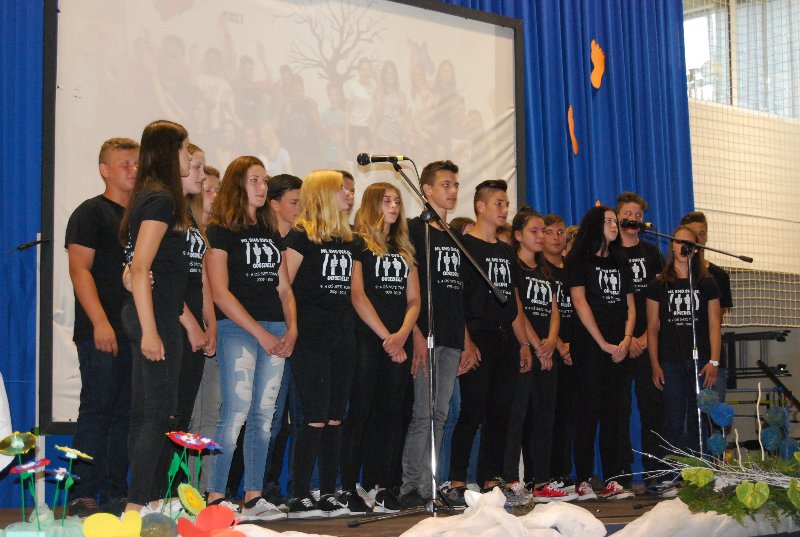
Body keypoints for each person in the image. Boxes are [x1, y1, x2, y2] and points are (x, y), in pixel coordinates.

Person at [205, 156, 296, 521]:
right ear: (237, 185)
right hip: (238, 330)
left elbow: (284, 287)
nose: (262, 186)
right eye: (254, 180)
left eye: (264, 180)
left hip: (276, 329)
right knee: (236, 412)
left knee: (264, 414)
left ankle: (253, 496)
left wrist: (292, 328)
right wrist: (260, 332)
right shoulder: (221, 230)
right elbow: (220, 292)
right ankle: (215, 495)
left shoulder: (271, 230)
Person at [120, 120, 197, 514]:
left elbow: (134, 265)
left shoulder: (150, 195)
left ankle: (146, 500)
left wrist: (131, 276)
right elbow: (139, 266)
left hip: (153, 312)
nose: (189, 155)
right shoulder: (161, 198)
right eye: (185, 149)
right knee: (157, 415)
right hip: (153, 318)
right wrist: (151, 331)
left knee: (145, 414)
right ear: (170, 152)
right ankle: (137, 507)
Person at [443, 179, 533, 506]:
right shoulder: (463, 246)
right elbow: (456, 300)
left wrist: (523, 343)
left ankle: (490, 480)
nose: (504, 209)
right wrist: (466, 342)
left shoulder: (506, 252)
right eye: (498, 203)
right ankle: (456, 481)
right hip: (476, 335)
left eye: (506, 203)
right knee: (473, 410)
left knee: (501, 412)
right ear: (480, 206)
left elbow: (513, 302)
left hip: (505, 338)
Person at [66, 137, 139, 516]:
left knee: (127, 414)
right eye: (124, 163)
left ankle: (115, 492)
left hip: (135, 332)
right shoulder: (90, 212)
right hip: (102, 329)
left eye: (137, 163)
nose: (133, 169)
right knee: (97, 410)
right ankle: (82, 492)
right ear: (104, 170)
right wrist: (100, 322)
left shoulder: (142, 218)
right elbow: (79, 270)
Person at [340, 182, 421, 514]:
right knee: (360, 412)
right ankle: (348, 487)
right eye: (387, 201)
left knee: (392, 414)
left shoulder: (404, 248)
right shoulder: (357, 242)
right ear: (372, 204)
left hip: (397, 342)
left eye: (397, 201)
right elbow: (357, 294)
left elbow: (414, 300)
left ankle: (385, 485)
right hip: (368, 338)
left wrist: (401, 334)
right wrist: (387, 337)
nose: (394, 206)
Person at [283, 170, 358, 518]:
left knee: (335, 418)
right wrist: (292, 329)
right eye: (342, 190)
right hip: (311, 336)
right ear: (325, 194)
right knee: (314, 416)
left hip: (342, 336)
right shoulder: (301, 237)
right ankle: (299, 492)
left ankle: (328, 490)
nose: (348, 195)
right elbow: (284, 286)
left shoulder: (348, 239)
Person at [398, 160, 471, 509]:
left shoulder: (456, 237)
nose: (452, 191)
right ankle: (410, 486)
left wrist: (466, 340)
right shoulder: (414, 230)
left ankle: (429, 485)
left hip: (452, 336)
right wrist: (414, 332)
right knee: (423, 413)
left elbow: (459, 294)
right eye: (445, 184)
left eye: (455, 184)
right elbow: (407, 290)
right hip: (425, 334)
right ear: (426, 190)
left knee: (440, 415)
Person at [505, 207, 576, 503]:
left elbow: (554, 311)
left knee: (545, 417)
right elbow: (518, 309)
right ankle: (511, 480)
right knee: (518, 417)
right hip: (526, 350)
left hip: (547, 351)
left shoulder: (544, 270)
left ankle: (541, 481)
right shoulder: (514, 267)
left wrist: (550, 342)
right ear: (518, 235)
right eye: (534, 231)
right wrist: (537, 345)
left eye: (543, 231)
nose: (541, 236)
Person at [566, 206, 635, 501]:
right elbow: (580, 302)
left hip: (619, 348)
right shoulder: (578, 260)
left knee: (614, 414)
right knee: (588, 412)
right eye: (608, 221)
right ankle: (583, 478)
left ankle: (612, 478)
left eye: (615, 221)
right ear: (595, 225)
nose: (614, 225)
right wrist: (603, 343)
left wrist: (626, 339)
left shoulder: (621, 261)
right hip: (589, 346)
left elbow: (631, 306)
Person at [647, 225, 721, 453]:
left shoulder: (707, 283)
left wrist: (714, 361)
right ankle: (673, 468)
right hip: (670, 361)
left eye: (687, 243)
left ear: (695, 249)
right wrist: (654, 364)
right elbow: (652, 327)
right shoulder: (658, 284)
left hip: (701, 361)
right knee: (674, 419)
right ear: (672, 246)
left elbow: (714, 325)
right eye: (677, 241)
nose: (682, 247)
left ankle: (700, 467)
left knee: (699, 419)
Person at [616, 192, 665, 483]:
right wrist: (627, 339)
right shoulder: (607, 252)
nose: (633, 219)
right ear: (617, 216)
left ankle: (654, 474)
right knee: (617, 410)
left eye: (638, 215)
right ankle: (619, 476)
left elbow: (661, 299)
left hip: (649, 342)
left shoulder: (653, 254)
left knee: (652, 410)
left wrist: (646, 338)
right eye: (628, 214)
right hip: (618, 343)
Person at [262, 173, 303, 505]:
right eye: (293, 202)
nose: (300, 208)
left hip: (298, 336)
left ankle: (279, 484)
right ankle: (260, 485)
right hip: (270, 333)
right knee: (270, 416)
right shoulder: (265, 240)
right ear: (274, 204)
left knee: (293, 417)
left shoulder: (304, 239)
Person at [187, 165, 222, 495]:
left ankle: (208, 491)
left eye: (218, 190)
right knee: (192, 416)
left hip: (217, 331)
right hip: (188, 330)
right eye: (207, 189)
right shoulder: (186, 233)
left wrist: (212, 325)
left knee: (212, 413)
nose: (214, 196)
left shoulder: (219, 234)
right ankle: (186, 490)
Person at [680, 211, 733, 400]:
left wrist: (714, 360)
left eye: (701, 233)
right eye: (692, 234)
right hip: (680, 358)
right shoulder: (670, 277)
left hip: (710, 356)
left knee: (714, 412)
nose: (698, 238)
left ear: (707, 236)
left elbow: (716, 321)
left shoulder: (719, 276)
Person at [541, 214, 577, 490]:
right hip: (548, 349)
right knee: (545, 416)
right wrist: (560, 343)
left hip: (574, 352)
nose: (556, 237)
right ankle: (543, 475)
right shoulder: (539, 269)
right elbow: (539, 313)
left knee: (568, 415)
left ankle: (563, 473)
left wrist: (572, 344)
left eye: (560, 232)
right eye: (550, 232)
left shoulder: (573, 271)